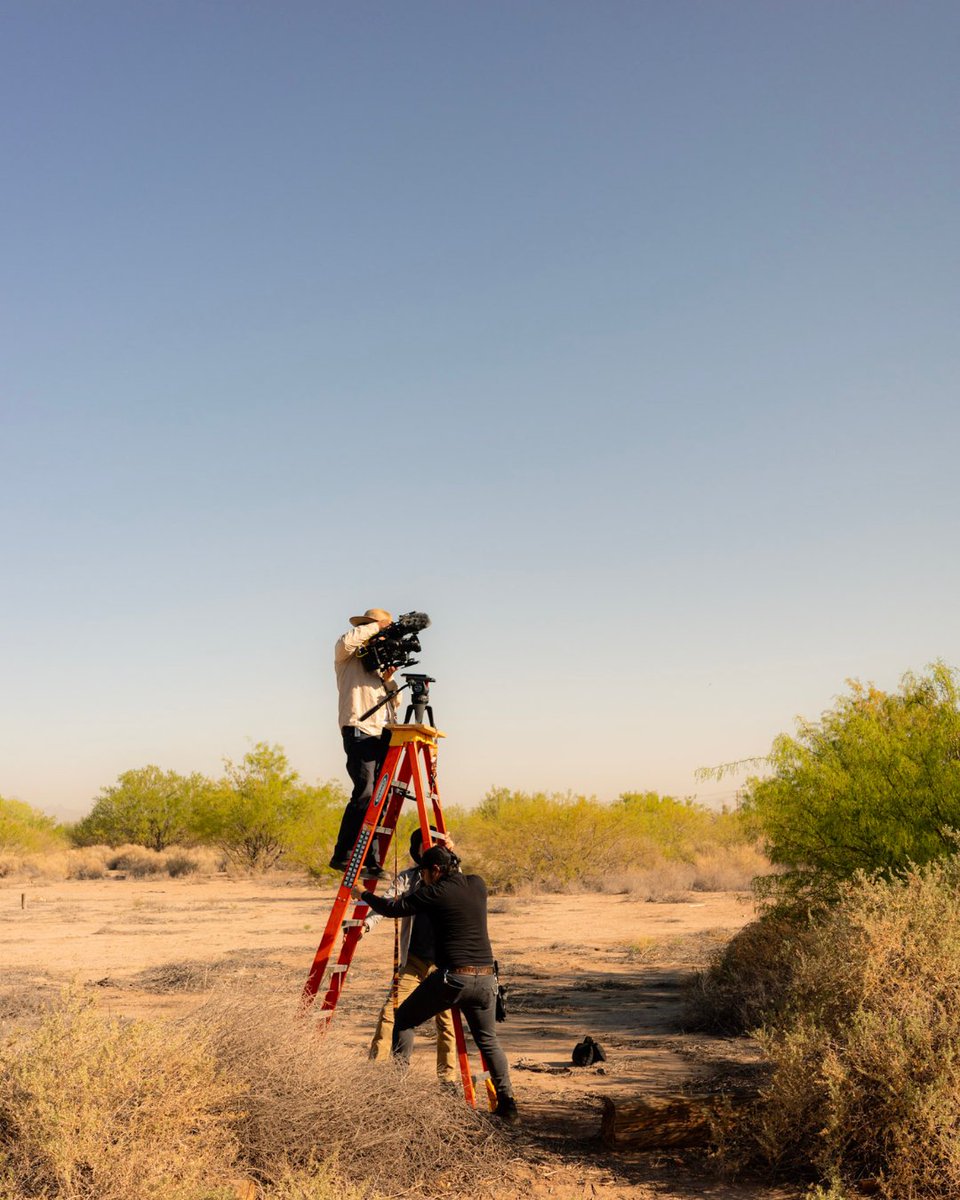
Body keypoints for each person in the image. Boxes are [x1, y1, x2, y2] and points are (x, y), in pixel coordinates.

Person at [353, 844, 519, 1123]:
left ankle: (396, 1092)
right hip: (487, 980)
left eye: (426, 873)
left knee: (403, 1018)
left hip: (454, 978)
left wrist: (363, 894)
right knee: (488, 1041)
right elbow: (458, 878)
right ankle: (509, 1106)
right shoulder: (478, 884)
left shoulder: (435, 892)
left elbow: (394, 909)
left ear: (436, 871)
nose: (424, 878)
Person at [365, 827, 458, 1085]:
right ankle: (376, 1073)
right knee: (391, 1012)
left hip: (443, 964)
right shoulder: (409, 879)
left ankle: (447, 1081)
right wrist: (366, 925)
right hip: (414, 961)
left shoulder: (451, 879)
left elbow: (461, 879)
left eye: (434, 844)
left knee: (446, 1023)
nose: (427, 849)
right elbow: (385, 904)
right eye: (423, 845)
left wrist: (451, 853)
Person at [329, 607, 401, 876]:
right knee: (366, 791)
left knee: (379, 796)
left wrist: (389, 681)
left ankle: (369, 860)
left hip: (382, 732)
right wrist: (378, 626)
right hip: (359, 729)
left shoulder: (376, 668)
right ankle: (343, 855)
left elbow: (394, 703)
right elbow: (345, 642)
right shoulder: (347, 657)